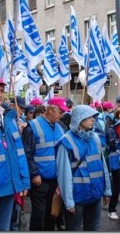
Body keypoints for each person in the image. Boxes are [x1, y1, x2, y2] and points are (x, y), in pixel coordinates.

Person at [55, 105, 112, 231]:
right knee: (73, 229)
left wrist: (107, 190)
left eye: (93, 117)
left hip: (95, 195)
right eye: (89, 117)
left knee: (93, 229)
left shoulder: (95, 138)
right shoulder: (66, 141)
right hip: (77, 197)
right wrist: (69, 201)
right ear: (79, 119)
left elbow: (103, 167)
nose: (93, 119)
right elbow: (64, 174)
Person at [22, 97, 67, 230]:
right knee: (39, 215)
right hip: (40, 180)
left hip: (55, 180)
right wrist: (34, 174)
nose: (62, 115)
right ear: (51, 109)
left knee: (51, 215)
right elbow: (27, 153)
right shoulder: (33, 126)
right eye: (60, 112)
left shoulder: (59, 128)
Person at [0, 91, 30, 231]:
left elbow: (19, 154)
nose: (0, 93)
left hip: (8, 187)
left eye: (1, 90)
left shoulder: (10, 120)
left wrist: (23, 181)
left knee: (5, 228)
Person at [106, 107, 120, 220]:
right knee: (117, 186)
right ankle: (111, 209)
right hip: (115, 162)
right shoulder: (112, 130)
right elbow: (113, 144)